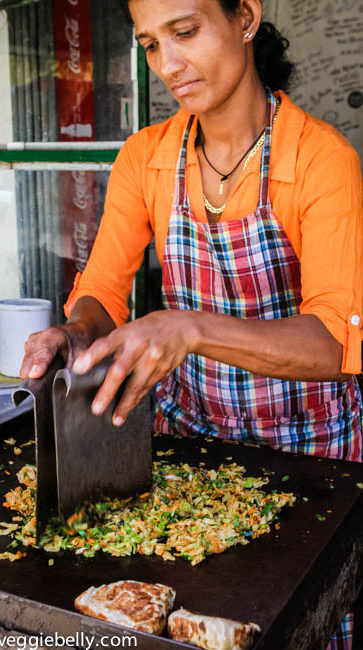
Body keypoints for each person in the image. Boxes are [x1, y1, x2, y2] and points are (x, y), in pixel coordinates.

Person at [20, 1, 363, 647]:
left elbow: (335, 343)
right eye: (150, 45)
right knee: (184, 618)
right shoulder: (146, 156)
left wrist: (187, 327)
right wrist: (76, 333)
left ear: (245, 17)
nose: (167, 65)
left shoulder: (320, 159)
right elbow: (100, 292)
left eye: (184, 31)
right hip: (191, 444)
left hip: (310, 454)